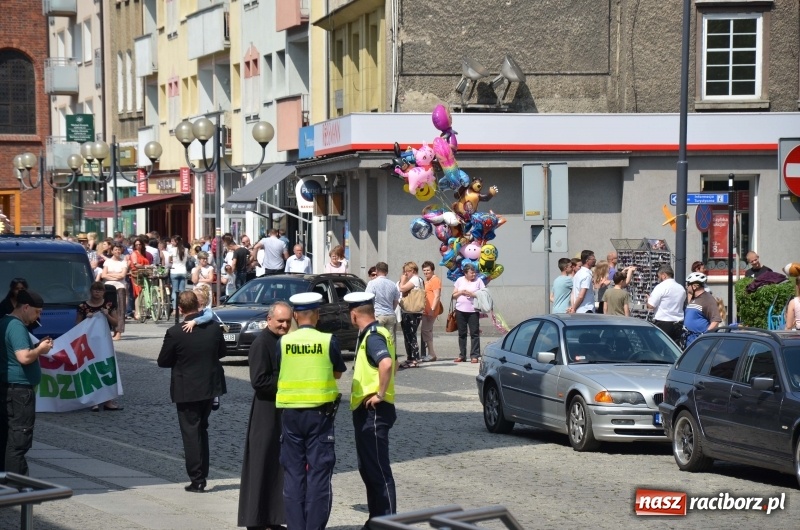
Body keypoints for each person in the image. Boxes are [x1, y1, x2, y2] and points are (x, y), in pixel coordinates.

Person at [275, 292, 346, 530]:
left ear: (295, 315)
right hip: (319, 416)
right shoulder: (328, 341)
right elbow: (337, 373)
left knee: (294, 475)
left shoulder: (283, 342)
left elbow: (279, 369)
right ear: (317, 315)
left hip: (290, 416)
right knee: (318, 474)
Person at [157, 291, 227, 493]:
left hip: (187, 389)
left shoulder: (175, 332)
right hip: (209, 387)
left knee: (191, 433)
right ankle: (201, 474)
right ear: (198, 305)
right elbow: (222, 352)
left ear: (180, 309)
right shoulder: (213, 328)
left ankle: (197, 478)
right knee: (202, 430)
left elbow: (163, 361)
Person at [343, 292, 397, 527]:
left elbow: (385, 363)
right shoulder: (371, 334)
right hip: (368, 411)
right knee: (369, 468)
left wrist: (380, 394)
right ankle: (376, 519)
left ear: (354, 315)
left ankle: (386, 522)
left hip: (374, 411)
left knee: (377, 469)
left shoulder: (373, 337)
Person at [238, 301, 292, 530]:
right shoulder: (261, 343)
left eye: (288, 321)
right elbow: (259, 381)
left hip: (279, 410)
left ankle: (272, 517)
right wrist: (288, 383)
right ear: (269, 320)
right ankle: (257, 519)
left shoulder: (283, 341)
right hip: (265, 411)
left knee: (276, 465)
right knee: (261, 464)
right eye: (280, 321)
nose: (284, 325)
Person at [0, 290, 53, 474]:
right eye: (37, 312)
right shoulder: (16, 326)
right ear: (26, 307)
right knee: (18, 440)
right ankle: (18, 487)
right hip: (19, 392)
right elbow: (23, 357)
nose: (38, 317)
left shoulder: (5, 322)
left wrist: (37, 347)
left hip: (10, 389)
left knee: (7, 439)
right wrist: (40, 350)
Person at [77, 281, 123, 411]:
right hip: (88, 342)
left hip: (104, 342)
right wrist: (87, 318)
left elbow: (117, 323)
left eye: (100, 290)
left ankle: (108, 400)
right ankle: (94, 401)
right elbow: (77, 326)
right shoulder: (83, 306)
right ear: (90, 291)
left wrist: (107, 314)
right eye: (95, 290)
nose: (97, 293)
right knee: (90, 368)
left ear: (104, 292)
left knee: (106, 368)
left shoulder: (109, 305)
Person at [452, 263, 485, 363]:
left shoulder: (479, 281)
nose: (474, 274)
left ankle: (474, 355)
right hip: (460, 310)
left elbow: (484, 294)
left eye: (474, 272)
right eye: (471, 273)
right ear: (465, 273)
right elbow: (453, 295)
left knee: (474, 333)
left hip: (473, 311)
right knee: (462, 333)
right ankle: (462, 355)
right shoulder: (459, 280)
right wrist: (461, 292)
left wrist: (472, 294)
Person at [646, 265, 686, 344]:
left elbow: (651, 306)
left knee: (659, 349)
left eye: (658, 276)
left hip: (663, 323)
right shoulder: (681, 288)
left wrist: (648, 300)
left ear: (664, 275)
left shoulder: (661, 287)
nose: (658, 279)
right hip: (678, 324)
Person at [366, 262, 401, 347]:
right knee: (390, 340)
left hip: (378, 314)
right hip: (390, 314)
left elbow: (367, 298)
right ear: (387, 272)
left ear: (377, 271)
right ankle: (392, 358)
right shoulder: (392, 284)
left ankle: (380, 358)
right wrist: (391, 308)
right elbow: (396, 301)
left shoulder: (372, 283)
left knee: (378, 339)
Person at [683, 272, 722, 347]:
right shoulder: (694, 298)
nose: (687, 287)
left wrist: (704, 335)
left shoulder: (708, 299)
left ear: (694, 286)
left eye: (688, 284)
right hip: (689, 339)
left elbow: (716, 320)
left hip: (700, 342)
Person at [397, 261, 424, 369]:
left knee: (411, 335)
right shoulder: (419, 279)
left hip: (412, 311)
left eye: (406, 272)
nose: (405, 274)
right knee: (408, 335)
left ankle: (415, 359)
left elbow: (402, 289)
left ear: (412, 270)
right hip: (412, 311)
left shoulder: (415, 279)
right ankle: (410, 357)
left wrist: (402, 280)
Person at [101, 243, 129, 341]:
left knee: (121, 309)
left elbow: (122, 275)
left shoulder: (123, 262)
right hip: (109, 286)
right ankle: (111, 331)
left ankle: (118, 332)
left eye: (119, 249)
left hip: (120, 286)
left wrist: (111, 274)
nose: (117, 251)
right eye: (116, 249)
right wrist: (116, 275)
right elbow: (103, 275)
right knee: (109, 309)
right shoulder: (107, 262)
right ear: (112, 251)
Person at [419, 261, 441, 362]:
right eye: (424, 270)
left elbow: (437, 296)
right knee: (427, 331)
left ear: (432, 270)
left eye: (428, 270)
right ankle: (430, 353)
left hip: (430, 310)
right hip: (426, 310)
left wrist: (432, 309)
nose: (426, 272)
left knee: (426, 331)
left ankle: (432, 354)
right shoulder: (427, 280)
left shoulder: (435, 280)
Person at [169, 236, 190, 310]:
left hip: (174, 271)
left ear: (176, 242)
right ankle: (182, 308)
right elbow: (187, 260)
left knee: (175, 291)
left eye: (172, 241)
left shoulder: (171, 250)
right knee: (182, 291)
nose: (171, 243)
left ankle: (175, 309)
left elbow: (170, 261)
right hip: (183, 271)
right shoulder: (186, 250)